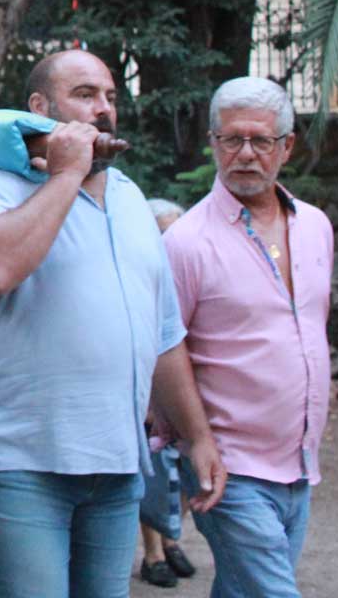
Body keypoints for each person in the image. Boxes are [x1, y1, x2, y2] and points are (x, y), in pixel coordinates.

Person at [0, 50, 225, 598]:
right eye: (86, 95)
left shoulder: (131, 198)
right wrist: (67, 173)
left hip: (114, 460)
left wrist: (196, 435)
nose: (104, 110)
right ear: (41, 107)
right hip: (13, 456)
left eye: (111, 98)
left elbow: (163, 337)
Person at [162, 78, 333, 597]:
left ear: (287, 146)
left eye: (260, 141)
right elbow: (164, 352)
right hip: (227, 464)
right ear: (213, 143)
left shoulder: (316, 226)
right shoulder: (186, 242)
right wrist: (197, 440)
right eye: (232, 140)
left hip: (299, 462)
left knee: (241, 591)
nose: (245, 154)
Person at [136, 198, 196, 589]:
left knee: (188, 475)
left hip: (189, 389)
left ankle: (173, 539)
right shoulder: (142, 276)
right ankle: (153, 553)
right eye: (162, 233)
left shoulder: (191, 271)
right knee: (156, 475)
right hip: (150, 392)